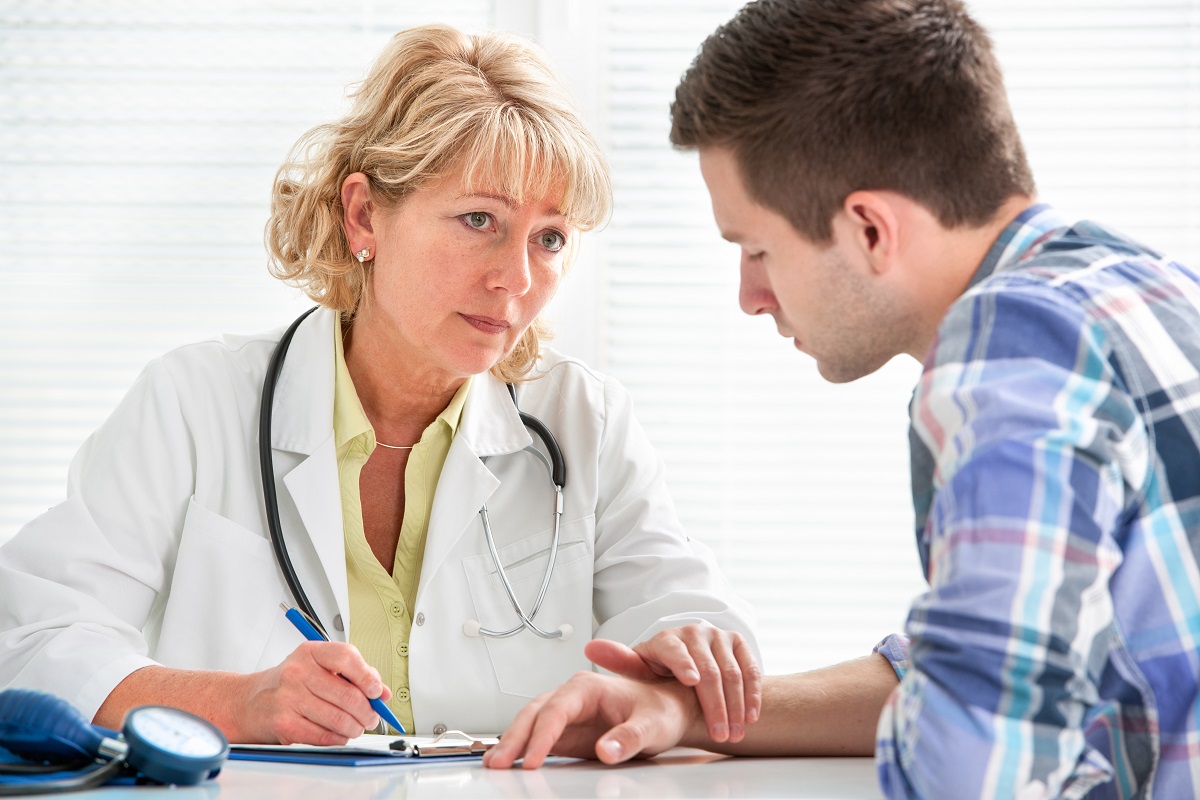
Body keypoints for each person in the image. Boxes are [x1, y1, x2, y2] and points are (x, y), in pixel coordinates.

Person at [482, 1, 1200, 797]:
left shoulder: (1010, 356)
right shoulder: (1148, 289)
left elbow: (974, 768)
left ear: (869, 229)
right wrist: (682, 711)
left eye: (757, 248)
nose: (751, 296)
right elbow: (971, 675)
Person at [0, 24, 761, 746]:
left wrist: (692, 651)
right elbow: (33, 642)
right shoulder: (194, 403)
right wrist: (240, 703)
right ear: (364, 215)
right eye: (478, 220)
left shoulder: (583, 423)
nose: (516, 279)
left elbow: (695, 625)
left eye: (550, 238)